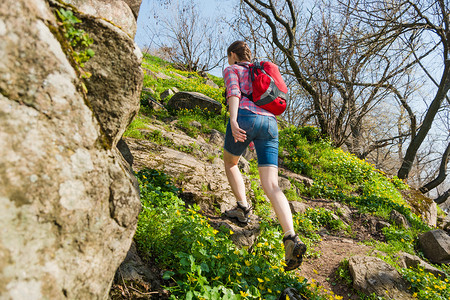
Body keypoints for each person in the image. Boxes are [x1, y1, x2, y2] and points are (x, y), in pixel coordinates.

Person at [222, 40, 307, 271]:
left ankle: (242, 208)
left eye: (228, 56)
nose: (228, 60)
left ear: (233, 55)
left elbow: (234, 93)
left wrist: (233, 119)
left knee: (231, 163)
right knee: (271, 184)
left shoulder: (232, 69)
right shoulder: (259, 70)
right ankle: (291, 237)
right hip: (270, 124)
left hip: (245, 118)